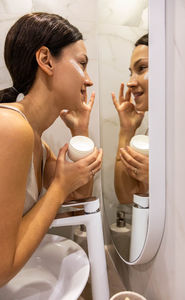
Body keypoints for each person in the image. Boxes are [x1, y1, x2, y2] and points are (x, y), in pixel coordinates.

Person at [0, 12, 102, 286]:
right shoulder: (10, 127)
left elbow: (79, 196)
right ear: (46, 60)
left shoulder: (37, 142)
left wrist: (80, 132)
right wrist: (58, 188)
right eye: (82, 63)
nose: (89, 80)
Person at [112, 34, 149, 204]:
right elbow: (127, 197)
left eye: (141, 68)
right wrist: (126, 131)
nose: (130, 83)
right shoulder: (154, 131)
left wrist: (161, 179)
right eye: (131, 73)